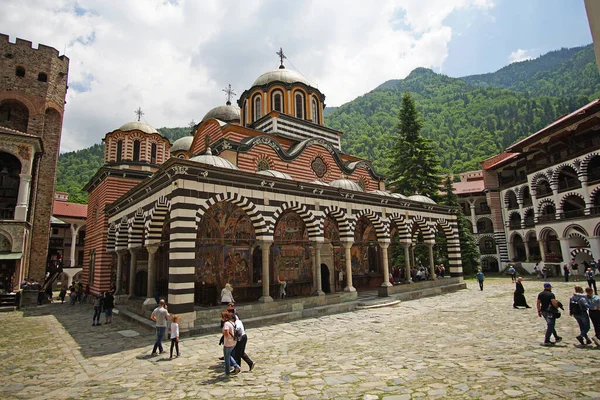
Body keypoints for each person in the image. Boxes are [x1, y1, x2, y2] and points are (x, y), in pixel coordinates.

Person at [222, 311, 241, 376]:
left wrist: (223, 332)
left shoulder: (226, 323)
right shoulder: (232, 323)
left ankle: (228, 372)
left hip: (228, 342)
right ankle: (236, 365)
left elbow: (226, 333)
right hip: (233, 342)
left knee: (226, 357)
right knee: (228, 355)